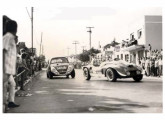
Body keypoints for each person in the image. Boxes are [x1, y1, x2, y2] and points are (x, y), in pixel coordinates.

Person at [3, 20, 20, 112]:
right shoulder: (8, 37)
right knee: (4, 87)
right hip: (4, 69)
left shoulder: (11, 39)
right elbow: (3, 52)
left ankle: (9, 102)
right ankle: (5, 105)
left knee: (11, 84)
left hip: (7, 70)